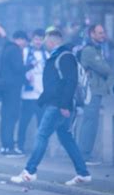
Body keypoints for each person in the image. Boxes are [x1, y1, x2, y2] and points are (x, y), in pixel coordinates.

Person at [11, 30, 91, 186]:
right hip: (58, 103)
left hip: (58, 105)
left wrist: (64, 105)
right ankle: (83, 173)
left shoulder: (64, 56)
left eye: (46, 41)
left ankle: (29, 171)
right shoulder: (61, 55)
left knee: (42, 135)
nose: (44, 44)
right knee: (66, 138)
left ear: (52, 42)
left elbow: (70, 82)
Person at [77, 24, 111, 164]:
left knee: (91, 122)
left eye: (103, 32)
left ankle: (85, 154)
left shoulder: (98, 49)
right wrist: (104, 67)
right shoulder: (90, 51)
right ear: (92, 34)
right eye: (100, 32)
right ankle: (84, 155)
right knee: (90, 122)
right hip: (91, 91)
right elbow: (106, 70)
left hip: (95, 90)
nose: (103, 35)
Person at [17, 29, 49, 153]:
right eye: (36, 39)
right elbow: (20, 69)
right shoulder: (25, 52)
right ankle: (20, 145)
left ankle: (39, 148)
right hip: (28, 94)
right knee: (24, 122)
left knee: (41, 123)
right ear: (32, 39)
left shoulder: (46, 54)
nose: (38, 42)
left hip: (41, 94)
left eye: (41, 39)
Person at [0, 30, 27, 157]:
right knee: (12, 117)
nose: (25, 44)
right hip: (13, 88)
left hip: (5, 88)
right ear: (20, 39)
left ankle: (4, 146)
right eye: (25, 41)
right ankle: (10, 147)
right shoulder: (15, 50)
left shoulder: (6, 48)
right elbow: (18, 68)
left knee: (5, 117)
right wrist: (31, 66)